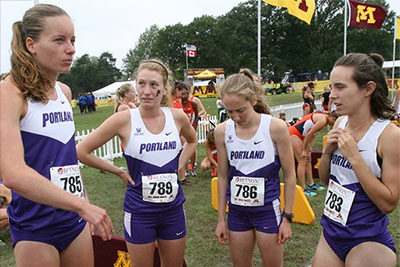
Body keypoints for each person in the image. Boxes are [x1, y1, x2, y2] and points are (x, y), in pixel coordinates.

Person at [0, 4, 113, 266]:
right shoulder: (10, 92)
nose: (71, 48)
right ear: (31, 45)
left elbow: (67, 160)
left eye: (72, 40)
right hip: (35, 227)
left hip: (73, 222)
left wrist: (83, 203)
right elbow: (14, 174)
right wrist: (83, 207)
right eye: (59, 40)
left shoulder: (65, 91)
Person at [77, 59, 198, 267]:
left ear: (165, 88)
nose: (147, 91)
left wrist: (181, 163)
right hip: (140, 212)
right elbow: (81, 151)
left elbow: (193, 139)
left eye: (154, 85)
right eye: (141, 84)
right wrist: (118, 171)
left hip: (173, 210)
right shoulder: (124, 119)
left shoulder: (177, 117)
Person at [313, 53, 399, 267]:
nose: (332, 95)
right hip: (331, 233)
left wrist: (354, 157)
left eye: (340, 87)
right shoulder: (340, 123)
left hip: (367, 239)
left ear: (368, 89)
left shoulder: (389, 136)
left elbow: (389, 203)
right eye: (332, 87)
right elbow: (326, 180)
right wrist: (327, 153)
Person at [214, 68, 296, 266]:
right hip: (237, 213)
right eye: (229, 112)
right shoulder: (222, 131)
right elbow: (222, 176)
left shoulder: (275, 127)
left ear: (253, 100)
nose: (235, 117)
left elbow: (290, 175)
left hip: (268, 210)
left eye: (241, 110)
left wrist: (287, 218)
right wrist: (221, 220)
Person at [289, 112, 337, 196]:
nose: (333, 125)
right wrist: (304, 150)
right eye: (334, 123)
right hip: (294, 134)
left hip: (302, 136)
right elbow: (309, 134)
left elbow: (313, 133)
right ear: (332, 119)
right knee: (302, 160)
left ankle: (311, 184)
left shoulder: (324, 121)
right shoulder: (323, 120)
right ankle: (303, 188)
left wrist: (309, 145)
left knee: (308, 159)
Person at [177, 82, 199, 177]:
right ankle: (184, 168)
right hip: (181, 130)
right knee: (183, 148)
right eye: (183, 94)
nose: (185, 96)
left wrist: (194, 127)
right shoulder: (178, 104)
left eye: (187, 93)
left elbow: (197, 115)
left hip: (191, 128)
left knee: (192, 148)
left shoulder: (193, 103)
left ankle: (193, 166)